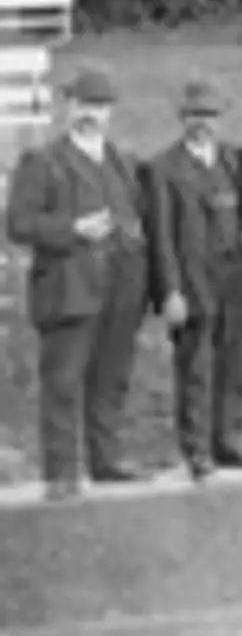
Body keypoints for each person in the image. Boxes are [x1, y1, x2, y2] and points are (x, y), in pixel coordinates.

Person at [6, 62, 149, 498]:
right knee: (64, 383)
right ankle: (62, 474)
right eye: (85, 104)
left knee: (111, 379)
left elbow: (138, 217)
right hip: (67, 289)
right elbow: (18, 224)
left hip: (120, 289)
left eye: (101, 106)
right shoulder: (42, 161)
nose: (93, 114)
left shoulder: (123, 161)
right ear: (67, 106)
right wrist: (72, 229)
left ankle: (106, 460)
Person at [143, 78, 242, 480]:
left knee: (235, 362)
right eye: (195, 115)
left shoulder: (236, 160)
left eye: (210, 115)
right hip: (193, 279)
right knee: (196, 366)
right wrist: (170, 289)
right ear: (182, 118)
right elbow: (160, 235)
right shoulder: (163, 169)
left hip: (234, 277)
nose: (203, 123)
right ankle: (197, 447)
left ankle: (230, 437)